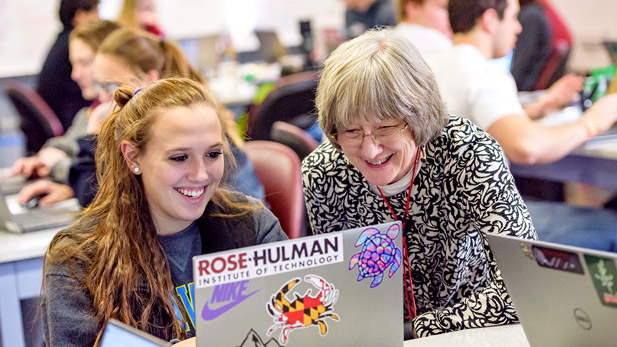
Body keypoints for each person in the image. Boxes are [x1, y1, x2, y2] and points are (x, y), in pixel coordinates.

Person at [302, 29, 537, 337]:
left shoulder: (469, 154)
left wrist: (420, 329)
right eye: (351, 132)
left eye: (385, 128)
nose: (370, 149)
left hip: (475, 331)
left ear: (418, 115)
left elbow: (526, 284)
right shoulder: (323, 175)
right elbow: (342, 291)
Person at [41, 77, 287, 346]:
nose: (200, 174)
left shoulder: (252, 224)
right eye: (179, 158)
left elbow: (294, 329)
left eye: (213, 154)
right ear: (133, 157)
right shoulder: (78, 259)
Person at [425, 0, 617, 252]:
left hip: (435, 225)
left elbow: (471, 124)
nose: (518, 28)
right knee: (610, 225)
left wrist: (536, 109)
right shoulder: (485, 74)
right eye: (514, 18)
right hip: (479, 230)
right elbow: (528, 148)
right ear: (490, 20)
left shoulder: (428, 65)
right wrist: (593, 121)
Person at [13, 20, 121, 207]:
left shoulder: (120, 118)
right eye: (73, 64)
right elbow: (70, 141)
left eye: (84, 63)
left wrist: (60, 168)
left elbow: (102, 183)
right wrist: (45, 157)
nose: (75, 75)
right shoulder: (90, 111)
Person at [37, 0, 99, 130]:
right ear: (80, 16)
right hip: (67, 119)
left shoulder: (62, 39)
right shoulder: (75, 44)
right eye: (95, 11)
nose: (98, 17)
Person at [510, 0, 552, 91]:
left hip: (522, 91)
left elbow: (517, 68)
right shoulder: (533, 12)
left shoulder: (530, 17)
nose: (517, 28)